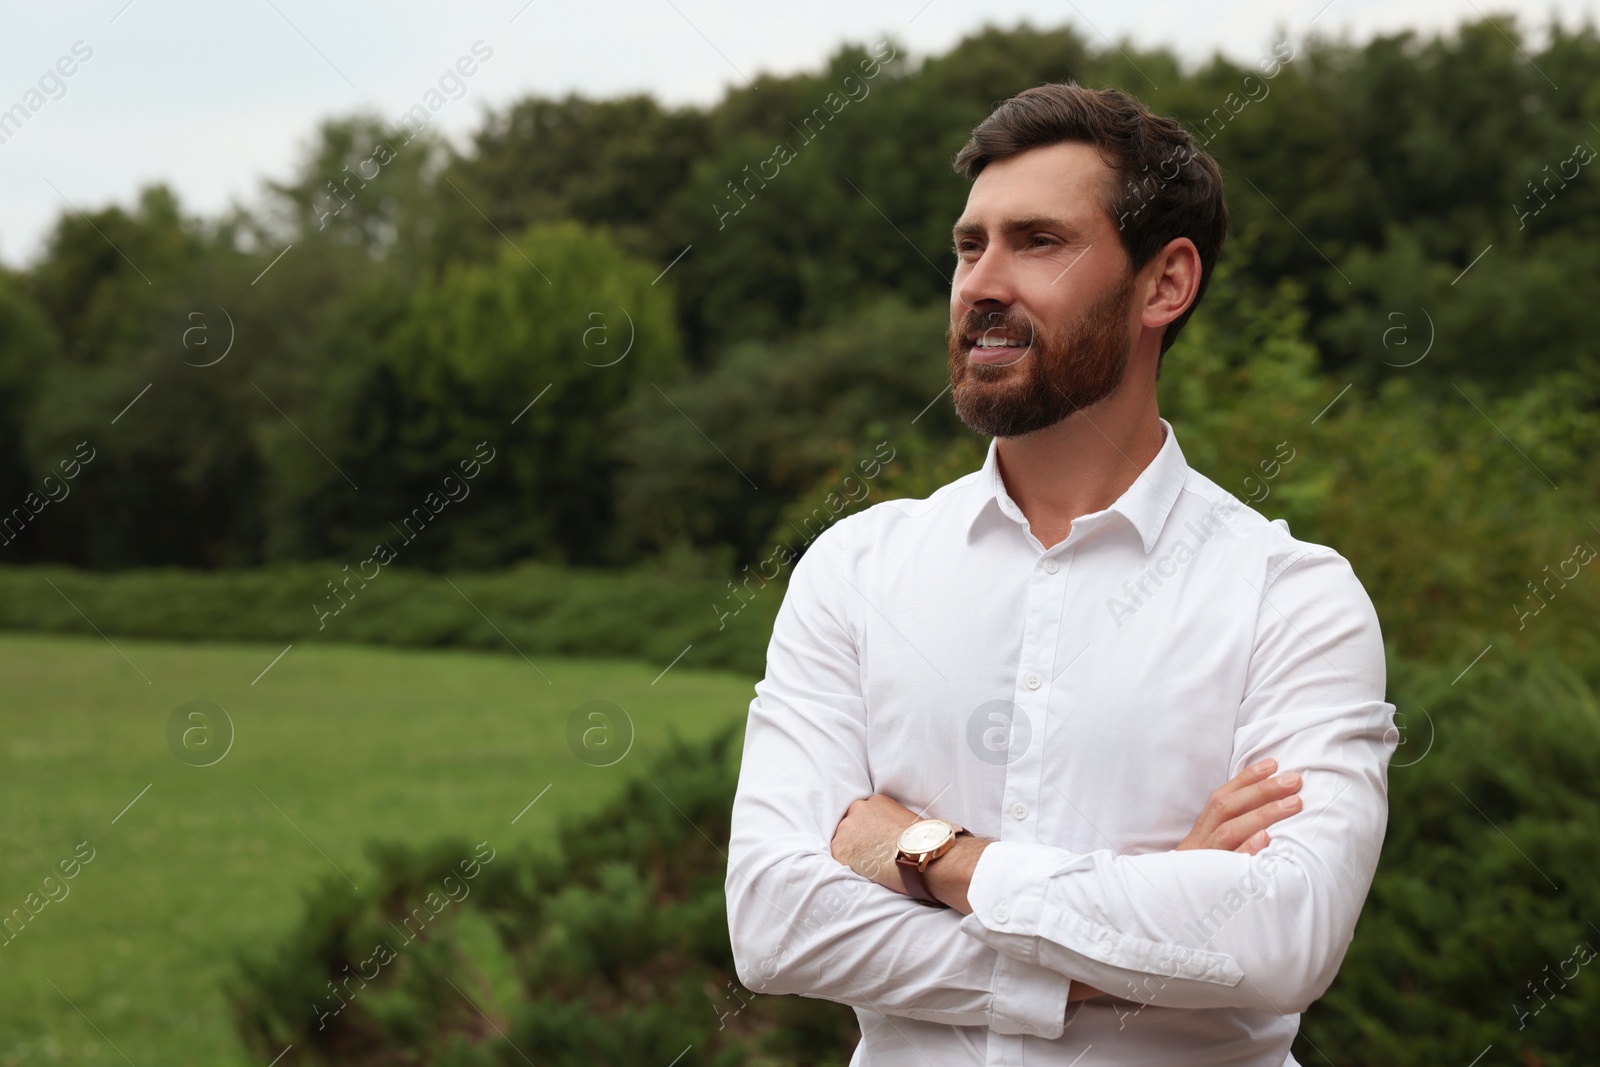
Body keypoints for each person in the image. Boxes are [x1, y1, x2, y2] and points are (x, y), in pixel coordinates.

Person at [725, 81, 1395, 1066]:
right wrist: (1132, 933)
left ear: (1164, 284)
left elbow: (1276, 935)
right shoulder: (855, 568)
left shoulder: (1291, 598)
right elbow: (775, 919)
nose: (981, 283)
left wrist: (929, 855)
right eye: (968, 245)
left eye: (1037, 241)